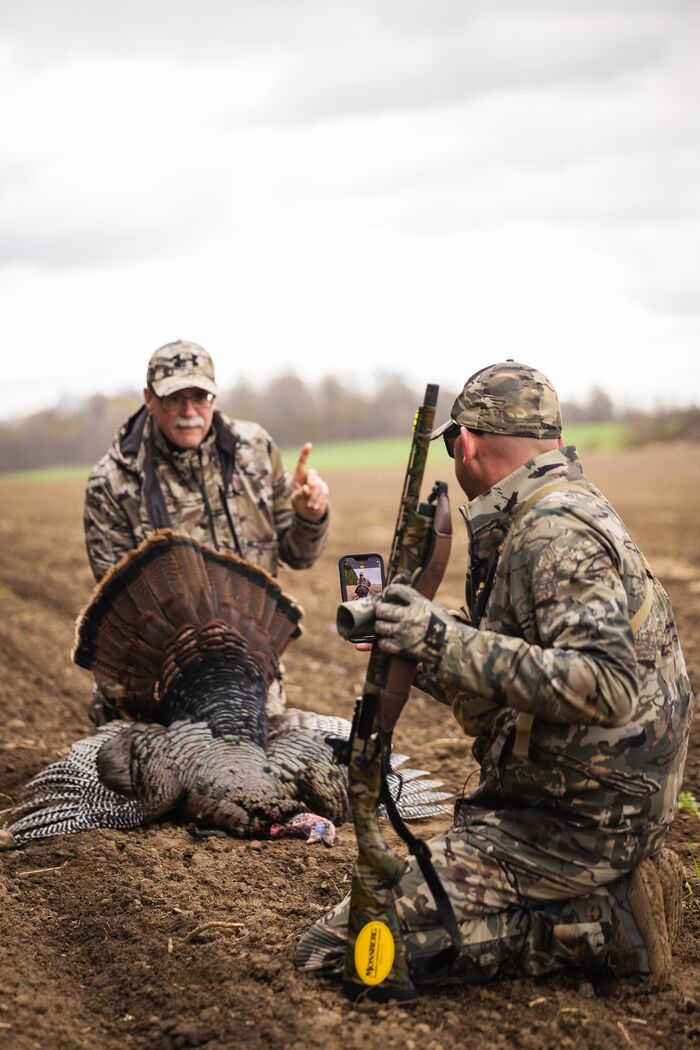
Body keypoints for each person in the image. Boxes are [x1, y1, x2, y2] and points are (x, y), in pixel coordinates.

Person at [296, 360, 693, 991]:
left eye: (451, 444)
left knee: (340, 951)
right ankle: (601, 902)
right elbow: (517, 662)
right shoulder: (560, 506)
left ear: (468, 442)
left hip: (575, 823)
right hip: (599, 802)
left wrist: (437, 636)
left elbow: (606, 684)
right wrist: (419, 645)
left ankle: (602, 927)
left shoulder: (552, 530)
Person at [84, 339, 329, 723]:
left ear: (215, 397)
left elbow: (299, 554)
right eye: (174, 399)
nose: (189, 412)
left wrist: (309, 516)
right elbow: (125, 608)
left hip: (247, 668)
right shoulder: (112, 483)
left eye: (200, 397)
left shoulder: (256, 450)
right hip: (158, 676)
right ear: (149, 399)